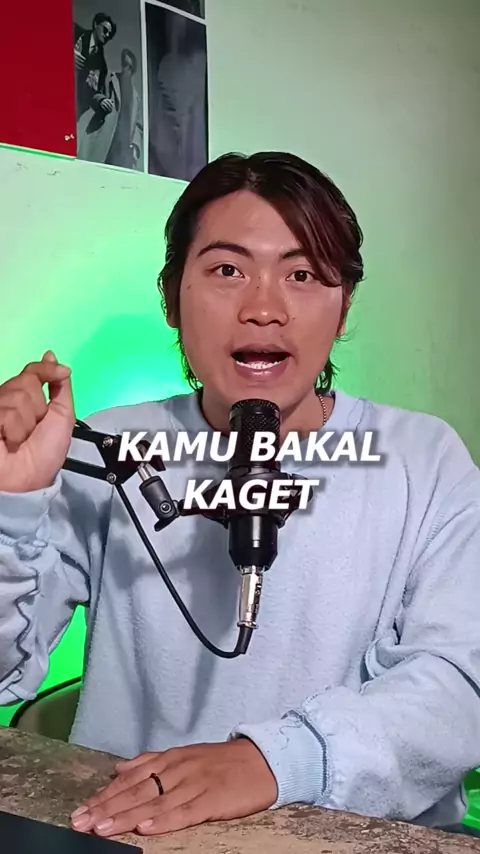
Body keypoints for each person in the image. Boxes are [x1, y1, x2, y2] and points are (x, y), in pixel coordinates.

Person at [0, 151, 479, 842]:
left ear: (344, 305)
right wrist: (12, 502)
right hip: (131, 829)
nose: (263, 309)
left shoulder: (423, 460)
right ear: (172, 297)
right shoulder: (107, 448)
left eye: (302, 274)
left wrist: (276, 761)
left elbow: (458, 688)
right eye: (227, 270)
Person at [73, 12, 117, 146]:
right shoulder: (73, 31)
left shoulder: (102, 66)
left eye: (110, 34)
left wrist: (101, 100)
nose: (107, 35)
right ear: (95, 24)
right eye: (105, 30)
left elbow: (91, 91)